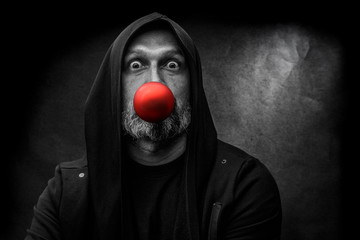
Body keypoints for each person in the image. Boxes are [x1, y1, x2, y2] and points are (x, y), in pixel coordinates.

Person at [25, 12, 282, 240]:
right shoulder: (68, 189)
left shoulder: (243, 183)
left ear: (192, 85)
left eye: (172, 65)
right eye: (136, 65)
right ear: (114, 85)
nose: (155, 82)